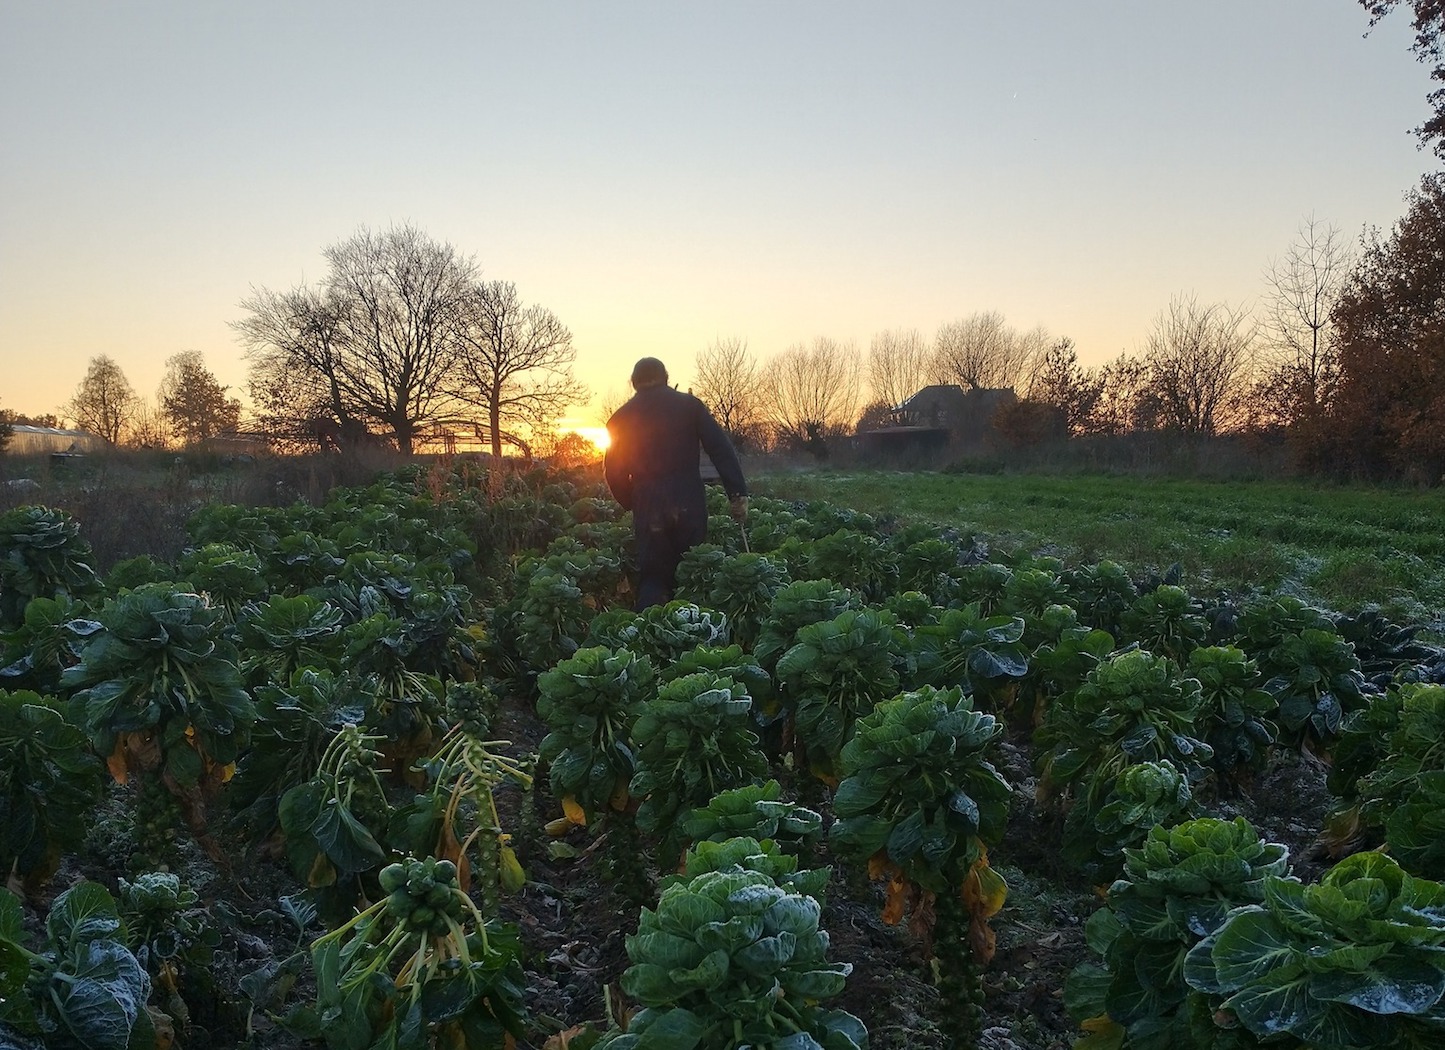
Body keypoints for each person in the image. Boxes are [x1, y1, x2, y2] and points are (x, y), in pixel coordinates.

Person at [604, 357, 748, 609]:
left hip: (648, 505)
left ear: (634, 382)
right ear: (666, 377)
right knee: (692, 572)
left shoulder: (620, 418)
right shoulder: (690, 406)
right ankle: (698, 633)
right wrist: (736, 492)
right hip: (688, 500)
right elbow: (720, 449)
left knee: (653, 578)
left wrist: (632, 500)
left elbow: (614, 471)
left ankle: (651, 636)